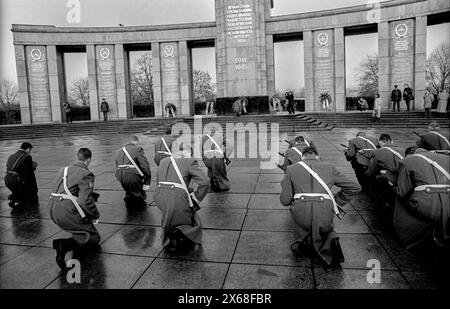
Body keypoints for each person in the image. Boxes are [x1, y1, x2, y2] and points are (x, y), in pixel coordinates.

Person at [280, 147, 361, 267]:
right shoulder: (330, 167)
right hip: (324, 210)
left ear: (303, 157)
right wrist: (336, 200)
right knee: (326, 229)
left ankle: (301, 243)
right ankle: (329, 241)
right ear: (317, 156)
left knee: (300, 225)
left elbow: (285, 200)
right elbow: (355, 187)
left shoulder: (291, 169)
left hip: (301, 211)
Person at [49, 148, 100, 270]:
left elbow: (67, 189)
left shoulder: (63, 170)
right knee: (94, 237)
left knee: (80, 229)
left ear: (78, 157)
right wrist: (95, 215)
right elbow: (84, 201)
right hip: (67, 211)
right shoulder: (86, 173)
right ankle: (64, 245)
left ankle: (74, 237)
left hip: (52, 209)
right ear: (88, 160)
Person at [154, 144, 210, 252]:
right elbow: (205, 182)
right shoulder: (189, 161)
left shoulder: (163, 161)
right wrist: (197, 198)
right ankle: (182, 239)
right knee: (189, 215)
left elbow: (159, 181)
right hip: (176, 196)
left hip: (160, 196)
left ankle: (170, 238)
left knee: (169, 216)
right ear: (188, 153)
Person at [394, 146, 449, 250]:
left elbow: (401, 192)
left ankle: (407, 237)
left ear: (410, 154)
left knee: (400, 198)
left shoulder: (407, 160)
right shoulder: (446, 158)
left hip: (427, 206)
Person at [366, 134, 405, 212]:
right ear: (391, 141)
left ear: (380, 142)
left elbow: (371, 171)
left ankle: (377, 204)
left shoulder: (377, 152)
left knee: (373, 180)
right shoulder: (403, 150)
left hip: (389, 178)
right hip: (403, 176)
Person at [114, 135, 151, 209]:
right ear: (134, 141)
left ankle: (130, 208)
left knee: (129, 193)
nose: (138, 144)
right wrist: (147, 178)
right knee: (139, 195)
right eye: (138, 142)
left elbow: (117, 165)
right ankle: (139, 215)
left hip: (120, 175)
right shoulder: (137, 149)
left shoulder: (118, 151)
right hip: (132, 175)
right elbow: (145, 166)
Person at [4, 142, 38, 208]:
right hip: (17, 180)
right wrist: (34, 189)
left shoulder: (11, 156)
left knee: (19, 188)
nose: (30, 151)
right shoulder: (27, 157)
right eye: (30, 150)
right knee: (28, 181)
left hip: (7, 179)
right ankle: (17, 198)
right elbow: (29, 173)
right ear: (28, 149)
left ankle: (14, 197)